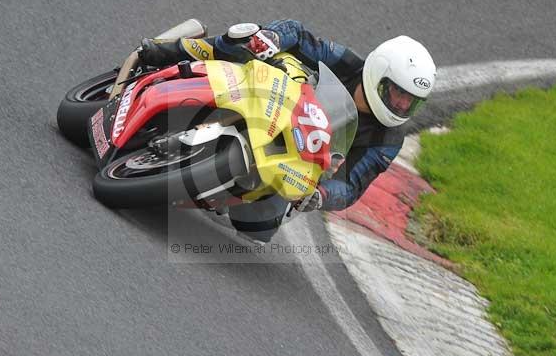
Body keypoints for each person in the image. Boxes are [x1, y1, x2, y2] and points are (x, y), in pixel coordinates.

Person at [137, 19, 436, 243]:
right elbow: (300, 35)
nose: (401, 105)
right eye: (397, 92)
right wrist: (273, 37)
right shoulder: (348, 63)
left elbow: (352, 185)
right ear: (378, 74)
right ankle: (169, 52)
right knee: (245, 39)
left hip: (295, 162)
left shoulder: (389, 140)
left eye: (411, 101)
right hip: (272, 101)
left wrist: (320, 195)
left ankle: (216, 187)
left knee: (258, 230)